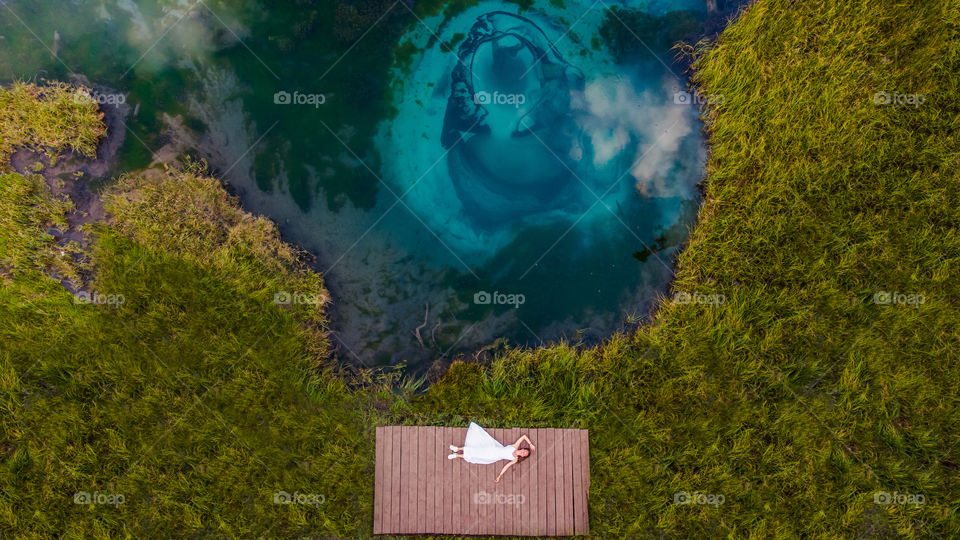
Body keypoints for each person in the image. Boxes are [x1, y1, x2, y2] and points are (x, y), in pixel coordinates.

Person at [448, 422, 536, 482]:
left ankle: (456, 455)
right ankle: (457, 449)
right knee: (476, 448)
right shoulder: (515, 446)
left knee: (476, 455)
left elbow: (506, 466)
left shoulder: (515, 459)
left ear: (523, 456)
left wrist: (500, 476)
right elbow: (524, 436)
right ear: (523, 449)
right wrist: (530, 444)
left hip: (493, 456)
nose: (523, 452)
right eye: (525, 451)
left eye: (524, 454)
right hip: (493, 448)